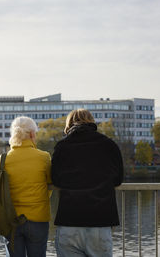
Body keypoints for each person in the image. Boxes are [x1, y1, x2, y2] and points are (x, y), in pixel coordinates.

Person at [51, 109, 123, 257]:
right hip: (100, 221)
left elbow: (55, 179)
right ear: (92, 122)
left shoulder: (62, 147)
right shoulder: (109, 145)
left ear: (69, 124)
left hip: (69, 221)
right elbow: (118, 178)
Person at [0, 116, 52, 257]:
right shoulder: (44, 157)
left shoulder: (1, 160)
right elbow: (50, 185)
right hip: (38, 219)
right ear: (32, 134)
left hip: (11, 221)